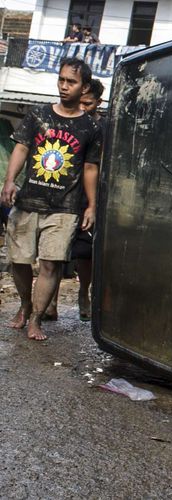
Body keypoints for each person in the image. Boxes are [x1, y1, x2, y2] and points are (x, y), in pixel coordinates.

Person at [1, 58, 101, 341]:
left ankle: (36, 319)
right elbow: (21, 148)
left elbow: (91, 168)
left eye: (71, 82)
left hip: (65, 208)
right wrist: (9, 181)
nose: (64, 86)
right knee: (19, 261)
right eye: (61, 80)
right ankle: (24, 303)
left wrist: (92, 205)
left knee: (50, 263)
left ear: (84, 88)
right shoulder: (38, 115)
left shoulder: (90, 128)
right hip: (28, 201)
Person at [44, 78, 105, 322]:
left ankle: (83, 292)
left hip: (89, 197)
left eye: (88, 104)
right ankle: (50, 301)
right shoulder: (65, 120)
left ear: (98, 103)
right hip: (63, 193)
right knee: (55, 250)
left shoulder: (104, 128)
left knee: (84, 252)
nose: (83, 107)